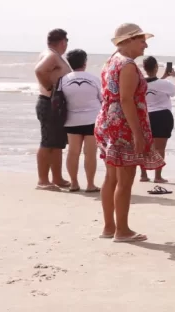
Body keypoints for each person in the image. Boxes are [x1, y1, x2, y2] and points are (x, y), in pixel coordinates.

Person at [95, 23, 164, 243]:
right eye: (141, 40)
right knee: (125, 179)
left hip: (107, 120)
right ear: (128, 41)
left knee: (111, 177)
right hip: (123, 124)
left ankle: (109, 227)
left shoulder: (110, 62)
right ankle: (121, 230)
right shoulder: (127, 65)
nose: (145, 45)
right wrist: (138, 133)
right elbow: (126, 99)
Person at [33, 28, 71, 190]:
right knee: (48, 141)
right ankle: (42, 180)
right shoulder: (52, 55)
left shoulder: (51, 54)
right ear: (63, 42)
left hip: (54, 103)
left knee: (57, 143)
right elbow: (39, 70)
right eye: (66, 42)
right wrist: (49, 86)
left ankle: (57, 177)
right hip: (49, 102)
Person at [60, 49, 102, 193]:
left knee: (73, 152)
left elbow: (61, 99)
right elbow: (102, 99)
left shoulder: (63, 79)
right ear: (85, 62)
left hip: (72, 120)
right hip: (92, 119)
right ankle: (90, 184)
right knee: (90, 153)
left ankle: (74, 183)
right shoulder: (94, 78)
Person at [141, 56, 175, 186]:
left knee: (145, 147)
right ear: (156, 67)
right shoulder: (164, 84)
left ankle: (143, 174)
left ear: (144, 68)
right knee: (160, 148)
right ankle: (158, 176)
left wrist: (163, 77)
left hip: (145, 116)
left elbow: (152, 85)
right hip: (162, 116)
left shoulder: (139, 83)